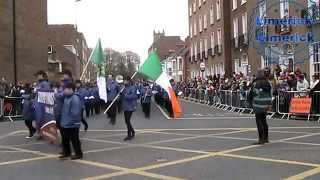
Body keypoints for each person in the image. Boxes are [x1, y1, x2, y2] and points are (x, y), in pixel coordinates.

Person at [59, 82, 83, 160]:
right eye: (64, 89)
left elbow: (75, 113)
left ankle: (78, 154)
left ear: (71, 90)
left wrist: (71, 122)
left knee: (74, 139)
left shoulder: (75, 98)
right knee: (65, 139)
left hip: (72, 123)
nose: (65, 91)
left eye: (66, 89)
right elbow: (57, 97)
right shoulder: (66, 97)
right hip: (65, 122)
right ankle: (66, 152)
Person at [248, 69, 272, 145]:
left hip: (258, 104)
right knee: (264, 121)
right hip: (266, 104)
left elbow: (251, 93)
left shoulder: (255, 83)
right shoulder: (267, 82)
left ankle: (261, 139)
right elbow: (271, 93)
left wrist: (250, 102)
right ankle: (266, 138)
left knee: (259, 122)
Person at [122, 76, 138, 141]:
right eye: (124, 80)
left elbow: (132, 96)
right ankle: (133, 131)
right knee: (126, 121)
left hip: (130, 107)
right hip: (125, 106)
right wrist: (120, 94)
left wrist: (125, 95)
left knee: (128, 121)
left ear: (128, 81)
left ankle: (129, 135)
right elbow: (122, 96)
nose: (124, 82)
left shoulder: (133, 87)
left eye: (125, 80)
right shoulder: (124, 88)